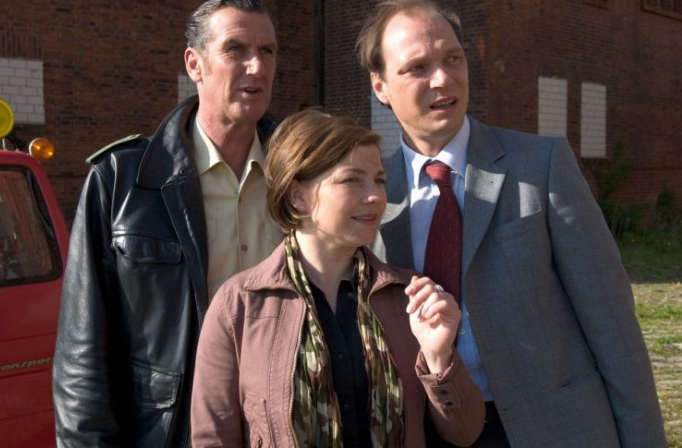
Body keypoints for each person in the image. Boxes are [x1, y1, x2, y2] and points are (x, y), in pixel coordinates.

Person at [357, 0, 667, 448]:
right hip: (427, 426)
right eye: (417, 67)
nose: (442, 78)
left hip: (551, 428)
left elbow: (613, 326)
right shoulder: (373, 196)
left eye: (453, 58)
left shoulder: (541, 166)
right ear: (380, 86)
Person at [52, 0, 283, 447]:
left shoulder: (303, 175)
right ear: (195, 64)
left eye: (268, 51)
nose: (257, 66)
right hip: (170, 432)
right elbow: (82, 356)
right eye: (236, 49)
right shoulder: (122, 181)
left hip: (282, 425)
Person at [189, 109, 485, 447]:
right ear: (298, 197)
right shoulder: (239, 306)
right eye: (352, 180)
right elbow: (212, 438)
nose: (375, 196)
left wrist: (439, 358)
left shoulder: (409, 298)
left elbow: (465, 433)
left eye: (379, 180)